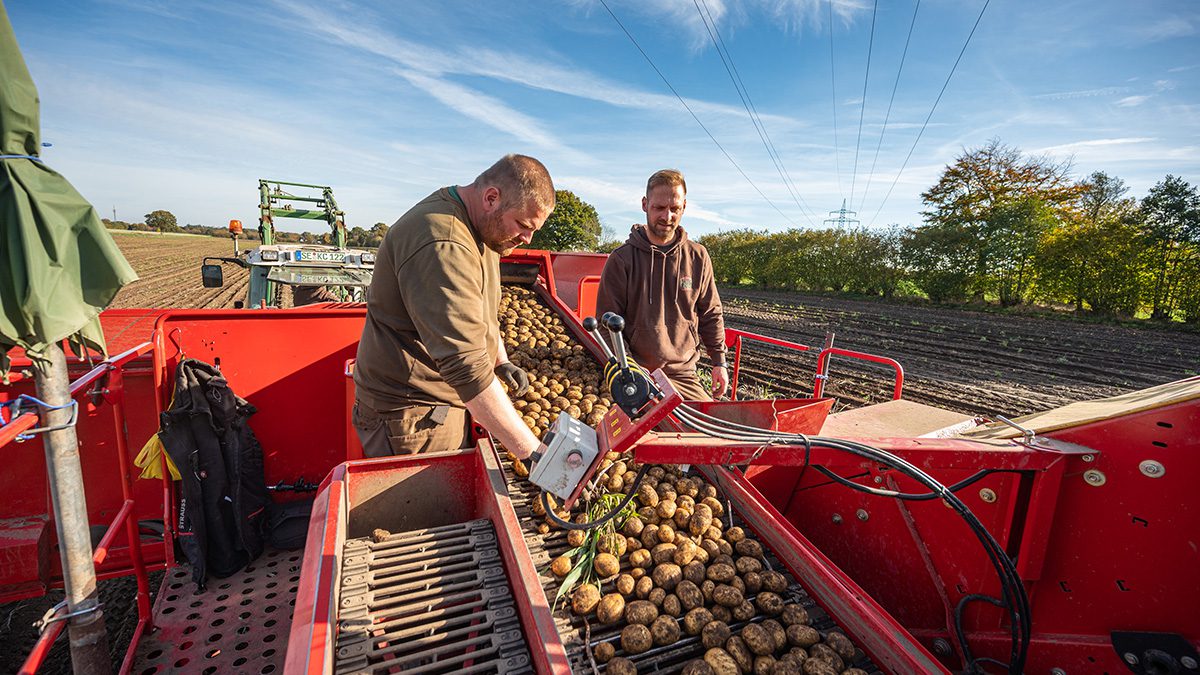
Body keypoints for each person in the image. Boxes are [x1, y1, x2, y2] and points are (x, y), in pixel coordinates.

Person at [352, 154, 554, 458]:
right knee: (426, 505)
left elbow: (480, 309)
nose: (528, 237)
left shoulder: (487, 231)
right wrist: (533, 453)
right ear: (491, 198)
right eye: (524, 224)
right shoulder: (442, 241)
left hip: (446, 400)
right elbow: (465, 366)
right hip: (413, 414)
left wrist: (500, 361)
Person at [595, 169, 728, 401]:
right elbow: (607, 322)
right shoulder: (622, 259)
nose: (667, 217)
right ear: (645, 204)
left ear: (684, 207)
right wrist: (629, 369)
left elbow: (710, 313)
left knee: (705, 429)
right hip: (636, 373)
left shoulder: (698, 256)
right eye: (659, 208)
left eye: (674, 209)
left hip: (683, 375)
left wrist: (719, 362)